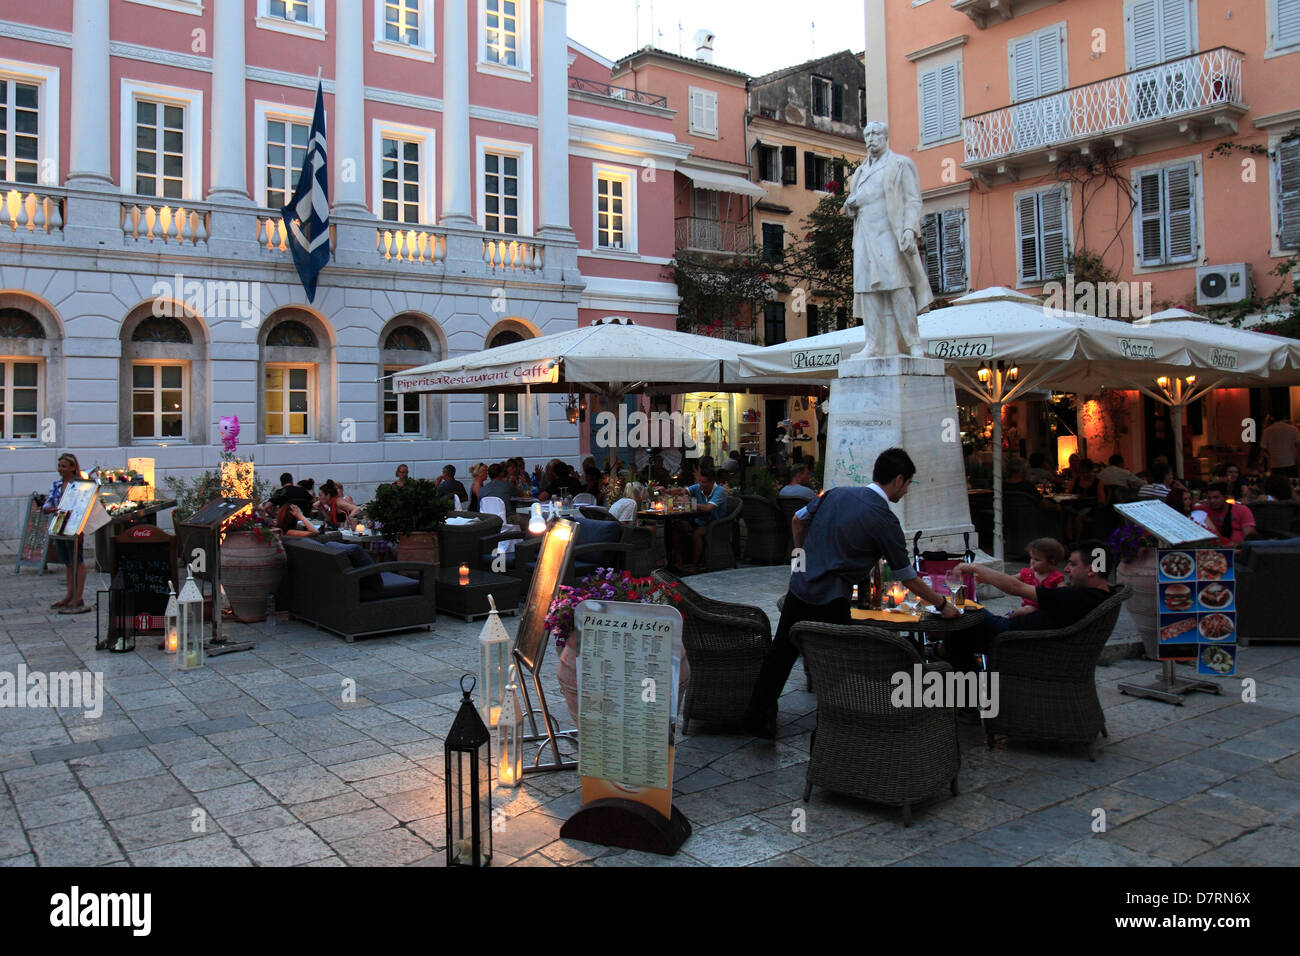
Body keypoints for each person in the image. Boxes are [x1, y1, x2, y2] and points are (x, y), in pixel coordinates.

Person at [744, 448, 960, 738]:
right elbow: (906, 575)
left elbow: (797, 520)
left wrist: (802, 559)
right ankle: (838, 730)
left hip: (801, 585)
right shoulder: (884, 519)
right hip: (832, 597)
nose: (907, 491)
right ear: (898, 480)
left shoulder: (834, 494)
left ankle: (756, 719)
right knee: (839, 666)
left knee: (780, 654)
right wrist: (943, 603)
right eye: (908, 484)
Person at [942, 541, 1114, 673]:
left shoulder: (1077, 596)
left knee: (960, 617)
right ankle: (944, 654)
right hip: (1027, 636)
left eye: (1073, 564)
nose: (1067, 569)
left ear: (1091, 570)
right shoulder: (1101, 594)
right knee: (961, 625)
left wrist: (973, 566)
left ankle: (965, 704)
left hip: (1017, 640)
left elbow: (1015, 588)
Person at [842, 122, 932, 357]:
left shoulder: (900, 164)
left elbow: (913, 200)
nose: (871, 138)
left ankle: (913, 342)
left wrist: (910, 229)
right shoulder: (860, 172)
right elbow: (853, 203)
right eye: (867, 134)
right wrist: (850, 206)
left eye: (875, 134)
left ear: (885, 137)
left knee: (898, 287)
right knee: (867, 291)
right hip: (863, 236)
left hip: (889, 234)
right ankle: (873, 344)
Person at [44, 452, 91, 614]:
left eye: (64, 466)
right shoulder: (57, 485)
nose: (60, 469)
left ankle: (78, 596)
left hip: (74, 525)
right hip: (59, 525)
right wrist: (49, 509)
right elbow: (48, 503)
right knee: (67, 562)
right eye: (59, 466)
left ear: (72, 467)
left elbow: (84, 503)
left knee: (77, 560)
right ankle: (69, 595)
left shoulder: (79, 485)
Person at [669, 466, 728, 574]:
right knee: (677, 527)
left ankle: (694, 566)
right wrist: (669, 492)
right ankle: (679, 562)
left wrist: (689, 503)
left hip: (715, 524)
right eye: (700, 481)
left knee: (697, 533)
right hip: (699, 521)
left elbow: (708, 508)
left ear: (712, 482)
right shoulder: (698, 487)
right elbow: (683, 491)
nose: (701, 484)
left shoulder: (719, 491)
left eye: (704, 482)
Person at [1011, 538, 1066, 617]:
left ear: (1051, 562)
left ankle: (1010, 617)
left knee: (1026, 611)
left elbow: (1063, 593)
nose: (1032, 561)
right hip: (1028, 606)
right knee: (1026, 610)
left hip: (1047, 609)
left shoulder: (1056, 577)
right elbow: (1010, 580)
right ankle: (1010, 616)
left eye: (1037, 559)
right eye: (1031, 558)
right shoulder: (1027, 573)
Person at [1197, 482, 1256, 547]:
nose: (1212, 501)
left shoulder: (1242, 510)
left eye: (1216, 497)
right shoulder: (1202, 509)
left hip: (1238, 550)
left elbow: (1250, 538)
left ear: (1225, 497)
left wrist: (1236, 544)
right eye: (1209, 498)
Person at [1064, 459, 1105, 539]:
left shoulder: (1097, 482)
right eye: (1082, 472)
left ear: (1091, 471)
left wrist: (1088, 499)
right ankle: (1069, 539)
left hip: (1090, 508)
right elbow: (1068, 494)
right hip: (1076, 506)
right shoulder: (1076, 480)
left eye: (1087, 472)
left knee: (1079, 516)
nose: (1085, 475)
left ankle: (1078, 540)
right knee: (1066, 513)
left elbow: (1101, 500)